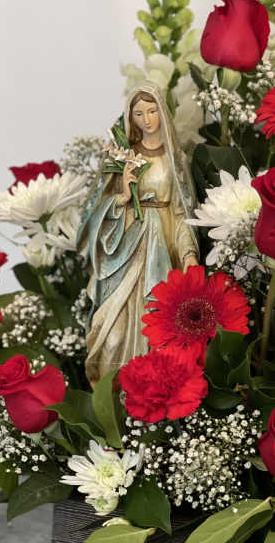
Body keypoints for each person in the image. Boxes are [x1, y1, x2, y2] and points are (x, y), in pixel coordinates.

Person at [78, 81, 199, 386]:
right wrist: (123, 195)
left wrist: (188, 254)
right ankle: (111, 395)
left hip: (162, 252)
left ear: (162, 112)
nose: (147, 119)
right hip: (125, 251)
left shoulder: (176, 160)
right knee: (113, 334)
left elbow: (182, 213)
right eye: (139, 114)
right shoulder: (122, 159)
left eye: (152, 111)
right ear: (130, 118)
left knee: (155, 330)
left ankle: (151, 394)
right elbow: (97, 213)